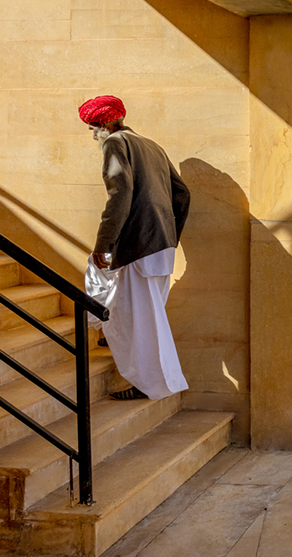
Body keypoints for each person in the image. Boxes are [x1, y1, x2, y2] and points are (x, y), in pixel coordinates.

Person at [78, 95, 190, 401]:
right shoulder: (151, 145)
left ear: (106, 123)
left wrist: (104, 243)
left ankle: (150, 383)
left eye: (93, 127)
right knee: (143, 314)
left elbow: (120, 194)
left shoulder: (115, 143)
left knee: (139, 318)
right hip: (161, 244)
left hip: (140, 244)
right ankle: (105, 330)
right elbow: (182, 194)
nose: (93, 134)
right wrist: (168, 234)